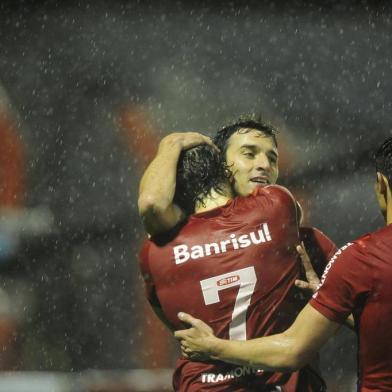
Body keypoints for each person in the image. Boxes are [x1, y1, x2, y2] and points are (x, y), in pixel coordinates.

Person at [174, 136, 392, 391]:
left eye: (272, 158)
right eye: (249, 153)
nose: (263, 165)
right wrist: (335, 306)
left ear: (381, 184)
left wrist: (214, 347)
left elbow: (294, 350)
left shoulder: (360, 258)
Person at [140, 142, 323, 391]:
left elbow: (175, 323)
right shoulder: (275, 207)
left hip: (203, 385)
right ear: (225, 173)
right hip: (277, 379)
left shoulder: (154, 254)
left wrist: (170, 144)